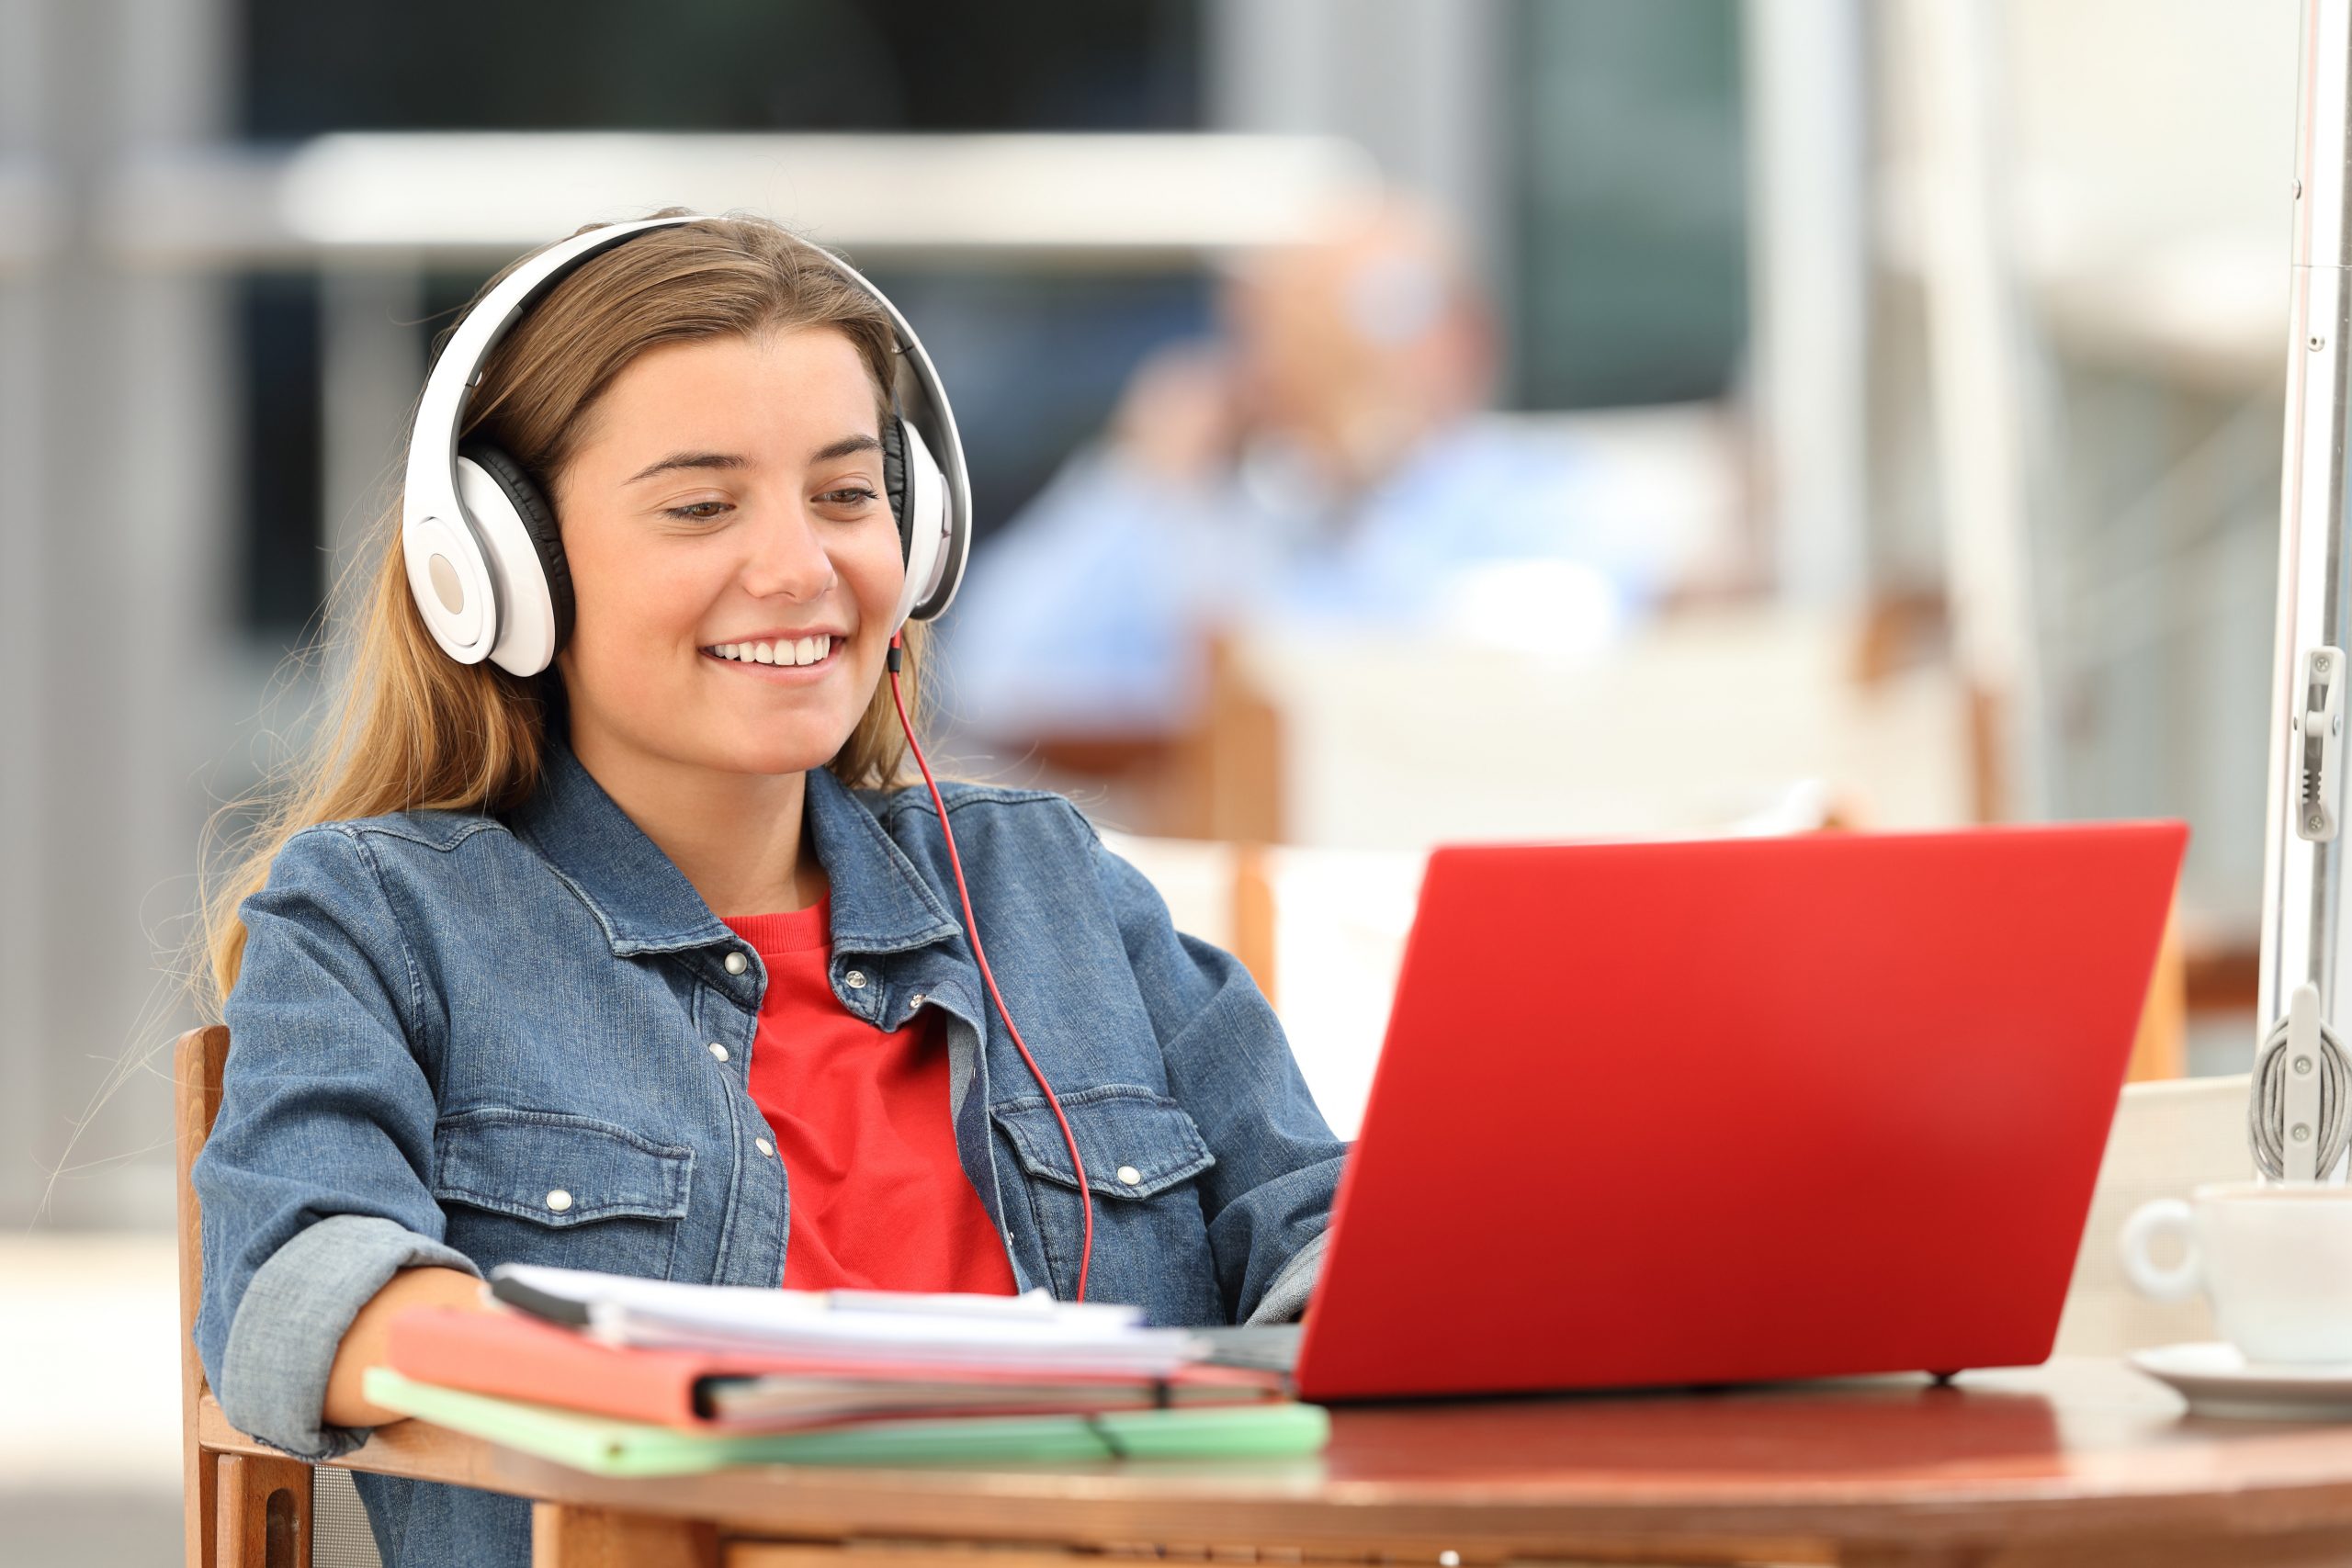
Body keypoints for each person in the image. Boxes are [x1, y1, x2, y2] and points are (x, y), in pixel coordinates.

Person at [188, 209, 1344, 1568]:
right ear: (504, 563)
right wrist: (696, 1406)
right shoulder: (383, 916)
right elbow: (300, 1280)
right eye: (701, 505)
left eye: (848, 496)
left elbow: (1329, 1237)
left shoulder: (1048, 885)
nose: (801, 567)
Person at [942, 194, 1672, 744]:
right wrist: (1141, 479)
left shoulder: (1550, 497)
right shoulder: (1223, 521)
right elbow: (995, 675)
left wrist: (1372, 471)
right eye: (1297, 324)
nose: (1330, 356)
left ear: (1469, 339)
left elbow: (1493, 681)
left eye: (1375, 314)